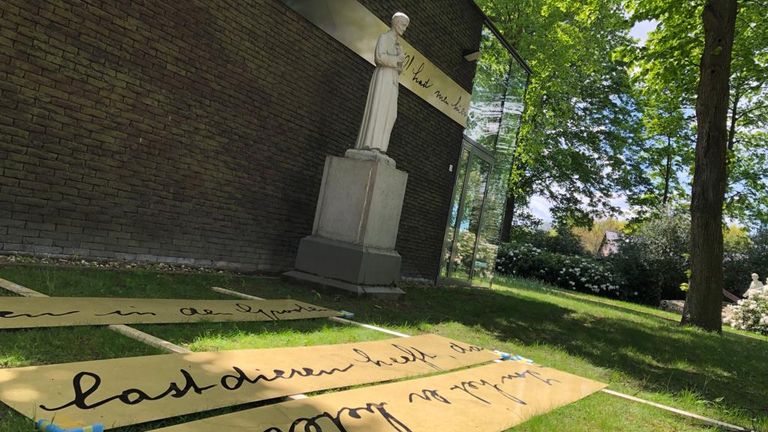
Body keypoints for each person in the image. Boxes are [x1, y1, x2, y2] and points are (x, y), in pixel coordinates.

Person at [354, 12, 410, 154]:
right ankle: (372, 145)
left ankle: (381, 147)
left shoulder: (398, 45)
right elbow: (379, 57)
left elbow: (399, 68)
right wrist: (397, 59)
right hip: (383, 77)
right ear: (396, 23)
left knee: (390, 113)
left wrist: (400, 62)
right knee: (379, 109)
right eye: (403, 25)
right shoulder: (384, 38)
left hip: (392, 79)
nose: (404, 29)